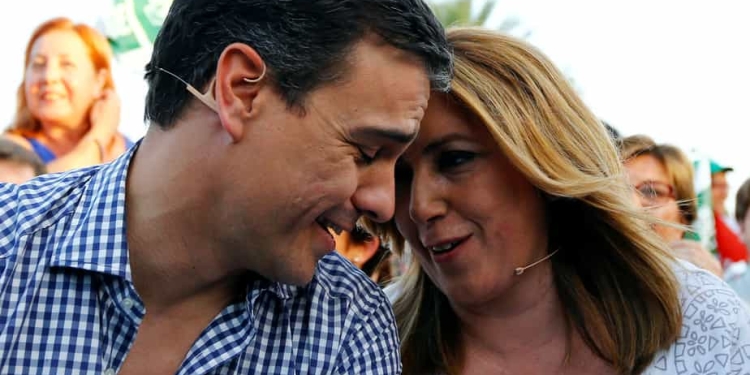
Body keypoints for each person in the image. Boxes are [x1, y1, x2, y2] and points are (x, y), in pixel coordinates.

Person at [0, 1, 452, 374]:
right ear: (241, 90)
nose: (384, 202)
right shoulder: (10, 241)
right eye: (366, 152)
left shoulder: (345, 325)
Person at [374, 28, 750, 374]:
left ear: (543, 161)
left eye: (456, 159)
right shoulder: (366, 344)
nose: (419, 206)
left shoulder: (700, 316)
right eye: (400, 175)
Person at [3, 17, 132, 173]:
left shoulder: (132, 152)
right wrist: (100, 134)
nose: (49, 77)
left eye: (66, 64)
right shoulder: (9, 150)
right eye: (38, 64)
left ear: (99, 81)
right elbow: (40, 190)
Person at [620, 135, 723, 276]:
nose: (631, 203)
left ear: (684, 216)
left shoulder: (702, 283)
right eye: (618, 190)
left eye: (652, 192)